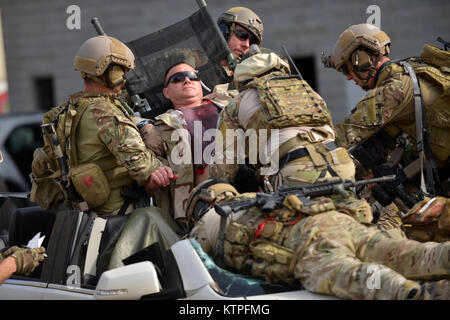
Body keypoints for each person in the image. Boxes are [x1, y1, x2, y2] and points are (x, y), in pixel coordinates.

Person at [29, 36, 180, 275]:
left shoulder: (64, 113)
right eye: (121, 70)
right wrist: (163, 163)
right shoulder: (106, 112)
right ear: (105, 70)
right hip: (123, 224)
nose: (124, 78)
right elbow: (149, 175)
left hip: (85, 222)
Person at [188, 180, 450, 300]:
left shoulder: (207, 222)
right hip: (336, 222)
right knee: (403, 251)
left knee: (361, 276)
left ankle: (419, 295)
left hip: (305, 247)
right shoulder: (261, 197)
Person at [210, 48, 373, 224]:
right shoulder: (309, 92)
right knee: (353, 225)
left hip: (296, 172)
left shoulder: (236, 103)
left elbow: (223, 169)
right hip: (341, 165)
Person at [322, 24, 450, 241]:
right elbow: (374, 143)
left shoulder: (395, 89)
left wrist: (299, 156)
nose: (348, 78)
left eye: (346, 69)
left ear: (361, 57)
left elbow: (343, 136)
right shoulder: (408, 76)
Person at [135, 56, 234, 225]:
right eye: (177, 79)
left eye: (192, 76)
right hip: (201, 211)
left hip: (249, 192)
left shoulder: (233, 103)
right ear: (166, 92)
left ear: (200, 83)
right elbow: (148, 182)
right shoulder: (157, 128)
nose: (187, 80)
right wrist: (154, 179)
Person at [217, 7, 264, 77]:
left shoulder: (251, 78)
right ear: (223, 32)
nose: (247, 45)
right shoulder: (196, 65)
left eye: (252, 42)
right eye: (242, 35)